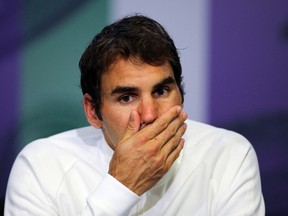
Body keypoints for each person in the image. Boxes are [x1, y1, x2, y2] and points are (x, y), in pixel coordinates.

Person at [4, 15, 265, 215]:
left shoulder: (228, 155)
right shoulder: (40, 167)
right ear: (93, 112)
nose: (150, 114)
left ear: (181, 95)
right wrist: (120, 188)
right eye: (126, 97)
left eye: (162, 90)